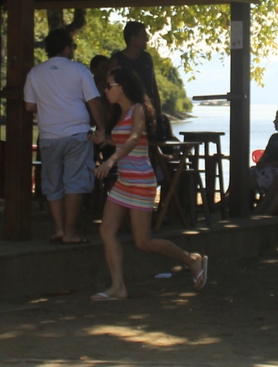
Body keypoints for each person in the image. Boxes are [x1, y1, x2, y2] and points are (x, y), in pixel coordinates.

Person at [91, 66, 205, 300]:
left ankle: (191, 259)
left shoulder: (138, 109)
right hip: (124, 181)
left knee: (143, 241)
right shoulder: (118, 113)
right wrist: (106, 140)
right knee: (106, 230)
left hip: (142, 181)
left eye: (109, 86)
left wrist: (111, 160)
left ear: (122, 87)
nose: (105, 91)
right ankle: (118, 287)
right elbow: (124, 141)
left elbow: (134, 140)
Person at [24, 28, 107, 245]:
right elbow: (94, 102)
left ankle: (58, 230)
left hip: (49, 135)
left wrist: (50, 105)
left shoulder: (35, 73)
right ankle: (71, 232)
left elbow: (29, 105)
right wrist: (102, 128)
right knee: (75, 183)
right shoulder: (79, 70)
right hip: (77, 133)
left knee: (53, 183)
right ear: (67, 48)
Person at [112, 21, 173, 142]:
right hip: (127, 115)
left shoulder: (147, 58)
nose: (147, 39)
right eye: (143, 35)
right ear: (133, 39)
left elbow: (153, 86)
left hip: (149, 113)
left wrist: (157, 112)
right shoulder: (117, 61)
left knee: (153, 148)